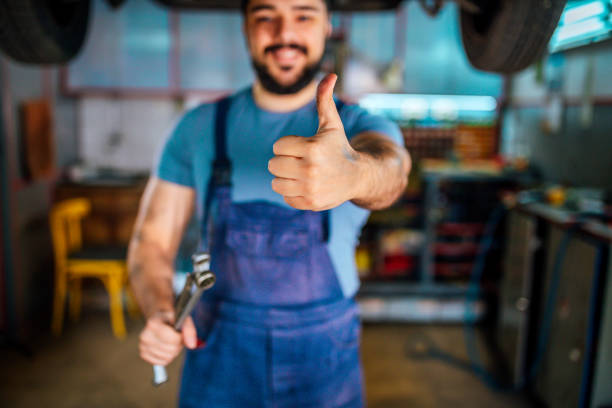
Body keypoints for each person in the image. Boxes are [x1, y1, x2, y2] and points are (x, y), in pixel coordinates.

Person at [128, 0, 411, 406]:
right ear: (245, 28)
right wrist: (159, 310)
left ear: (327, 25)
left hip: (323, 355)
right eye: (265, 17)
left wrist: (355, 174)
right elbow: (150, 242)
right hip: (218, 350)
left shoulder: (360, 127)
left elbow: (393, 170)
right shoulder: (197, 128)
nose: (284, 34)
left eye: (303, 15)